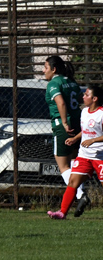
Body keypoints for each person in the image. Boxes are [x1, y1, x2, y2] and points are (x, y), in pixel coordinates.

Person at [48, 85, 103, 220]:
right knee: (73, 181)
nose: (83, 97)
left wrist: (93, 140)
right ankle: (62, 213)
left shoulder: (101, 114)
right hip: (84, 155)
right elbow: (85, 131)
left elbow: (94, 135)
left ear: (94, 99)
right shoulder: (84, 112)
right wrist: (75, 139)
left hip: (100, 156)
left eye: (87, 95)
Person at [43, 55, 89, 216]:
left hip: (64, 126)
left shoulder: (53, 83)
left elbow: (61, 102)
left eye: (45, 67)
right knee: (75, 162)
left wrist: (63, 122)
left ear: (54, 69)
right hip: (77, 122)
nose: (43, 71)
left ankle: (81, 195)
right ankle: (81, 194)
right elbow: (81, 100)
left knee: (63, 166)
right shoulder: (72, 82)